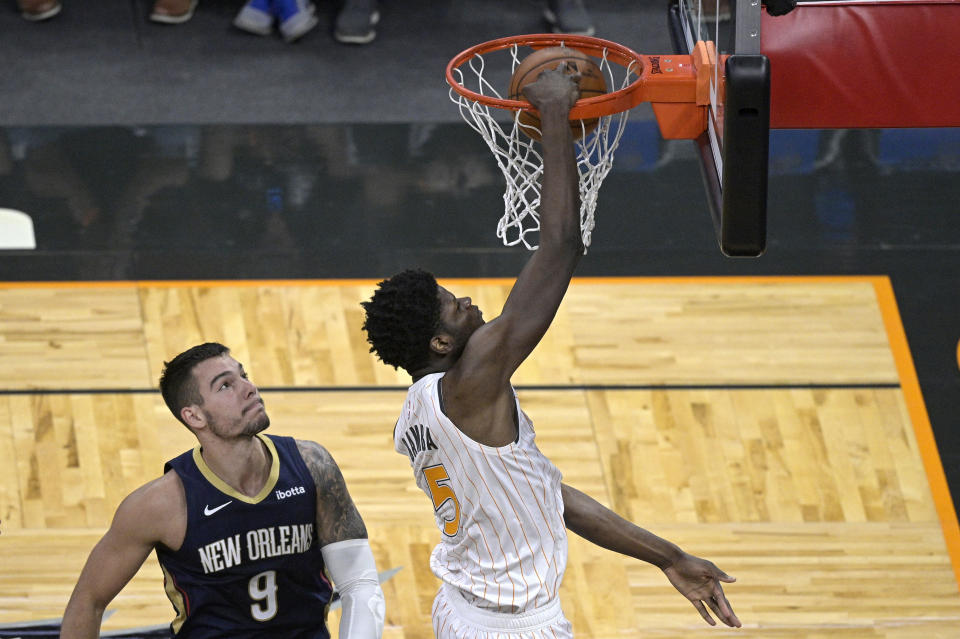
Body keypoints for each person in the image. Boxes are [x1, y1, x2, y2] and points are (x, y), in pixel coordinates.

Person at [361, 67, 740, 637]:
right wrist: (557, 115)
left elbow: (549, 498)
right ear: (440, 343)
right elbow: (560, 245)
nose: (466, 301)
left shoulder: (417, 411)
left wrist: (668, 556)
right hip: (511, 628)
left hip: (465, 612)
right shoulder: (472, 379)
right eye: (452, 305)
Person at [60, 342, 385, 639]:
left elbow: (358, 581)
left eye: (243, 375)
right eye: (226, 385)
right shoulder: (161, 505)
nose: (249, 388)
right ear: (194, 415)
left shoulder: (313, 467)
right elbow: (88, 602)